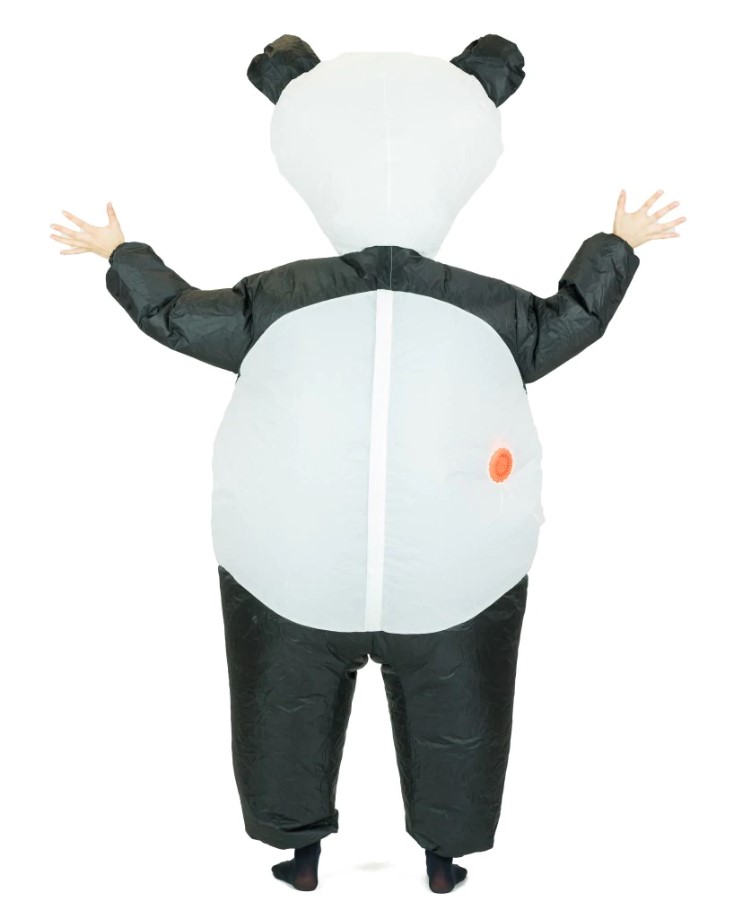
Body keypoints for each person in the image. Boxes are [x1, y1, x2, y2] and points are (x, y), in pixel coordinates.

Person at [49, 34, 686, 897]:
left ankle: (305, 846)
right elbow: (569, 321)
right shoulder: (479, 304)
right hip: (447, 568)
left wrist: (123, 254)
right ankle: (440, 852)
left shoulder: (281, 296)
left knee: (284, 709)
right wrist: (614, 245)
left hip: (300, 564)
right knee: (456, 714)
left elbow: (177, 316)